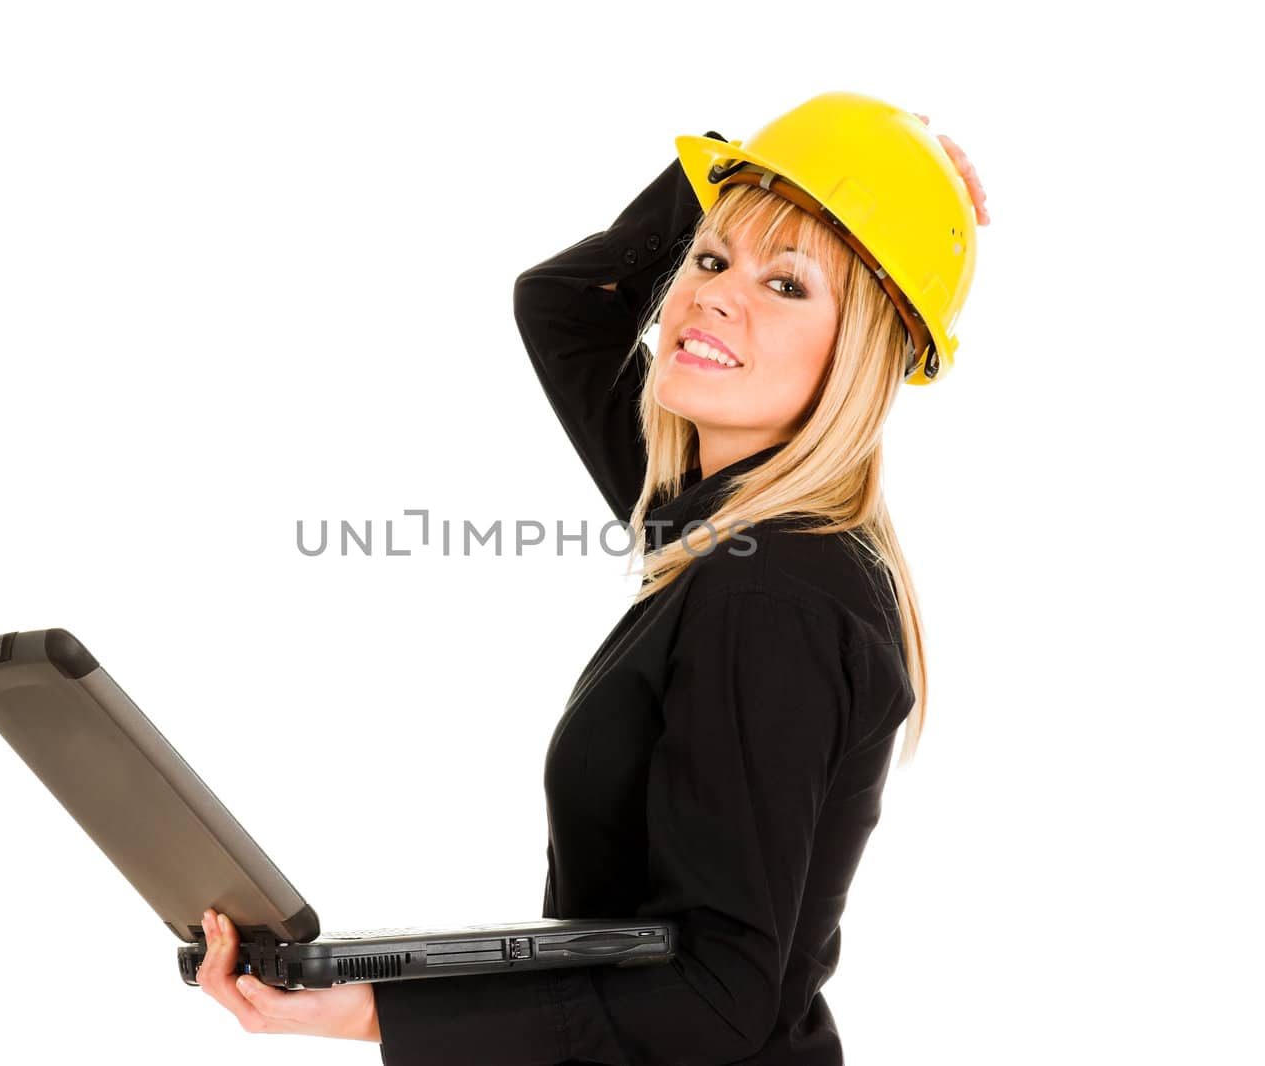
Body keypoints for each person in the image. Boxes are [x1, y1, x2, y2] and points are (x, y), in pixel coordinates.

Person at [193, 91, 990, 1064]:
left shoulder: (767, 589)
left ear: (860, 349)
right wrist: (782, 172)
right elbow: (567, 310)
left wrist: (376, 1012)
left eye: (787, 285)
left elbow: (712, 992)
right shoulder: (717, 526)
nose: (712, 294)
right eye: (709, 256)